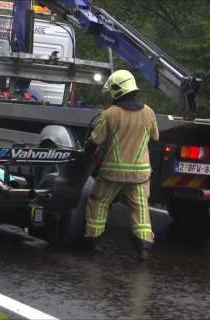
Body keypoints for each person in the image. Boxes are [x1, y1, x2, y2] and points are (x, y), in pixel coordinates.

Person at [84, 69, 159, 261]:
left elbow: (96, 140)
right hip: (141, 174)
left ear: (116, 91)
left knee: (99, 202)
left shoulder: (110, 114)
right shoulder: (149, 112)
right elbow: (154, 137)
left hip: (112, 173)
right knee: (140, 208)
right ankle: (143, 248)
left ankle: (94, 241)